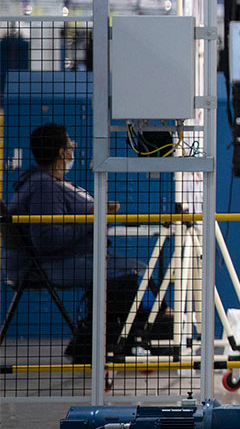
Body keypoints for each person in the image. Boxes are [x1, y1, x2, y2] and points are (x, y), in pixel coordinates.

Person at [5, 124, 147, 362]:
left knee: (133, 269)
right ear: (62, 152)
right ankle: (114, 344)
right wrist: (95, 219)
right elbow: (47, 240)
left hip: (66, 259)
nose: (72, 149)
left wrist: (95, 214)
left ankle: (98, 344)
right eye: (69, 143)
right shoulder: (44, 187)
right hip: (48, 265)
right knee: (135, 273)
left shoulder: (47, 182)